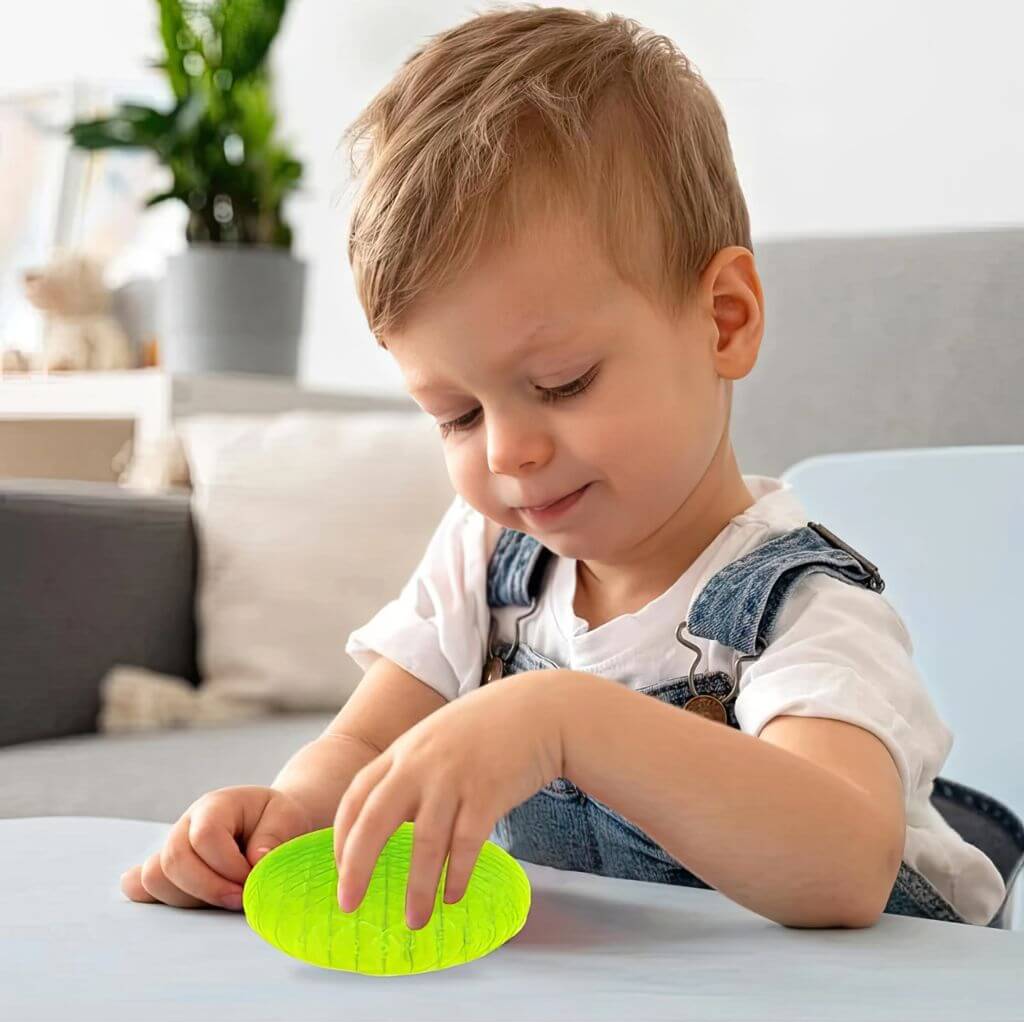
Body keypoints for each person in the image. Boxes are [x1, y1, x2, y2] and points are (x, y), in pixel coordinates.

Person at [120, 4, 1007, 931]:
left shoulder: (802, 612)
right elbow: (363, 743)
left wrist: (562, 723)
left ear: (724, 321)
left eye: (563, 382)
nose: (508, 453)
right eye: (456, 415)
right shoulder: (488, 563)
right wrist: (285, 821)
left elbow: (842, 868)